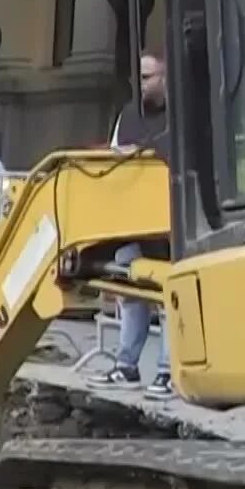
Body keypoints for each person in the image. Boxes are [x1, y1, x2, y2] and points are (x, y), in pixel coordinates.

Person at [90, 51, 173, 398]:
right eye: (137, 78)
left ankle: (169, 371)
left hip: (169, 221)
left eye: (148, 78)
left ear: (165, 78)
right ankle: (127, 365)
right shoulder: (128, 114)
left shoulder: (181, 115)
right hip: (134, 220)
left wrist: (140, 154)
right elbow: (113, 156)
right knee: (130, 286)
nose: (140, 85)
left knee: (171, 292)